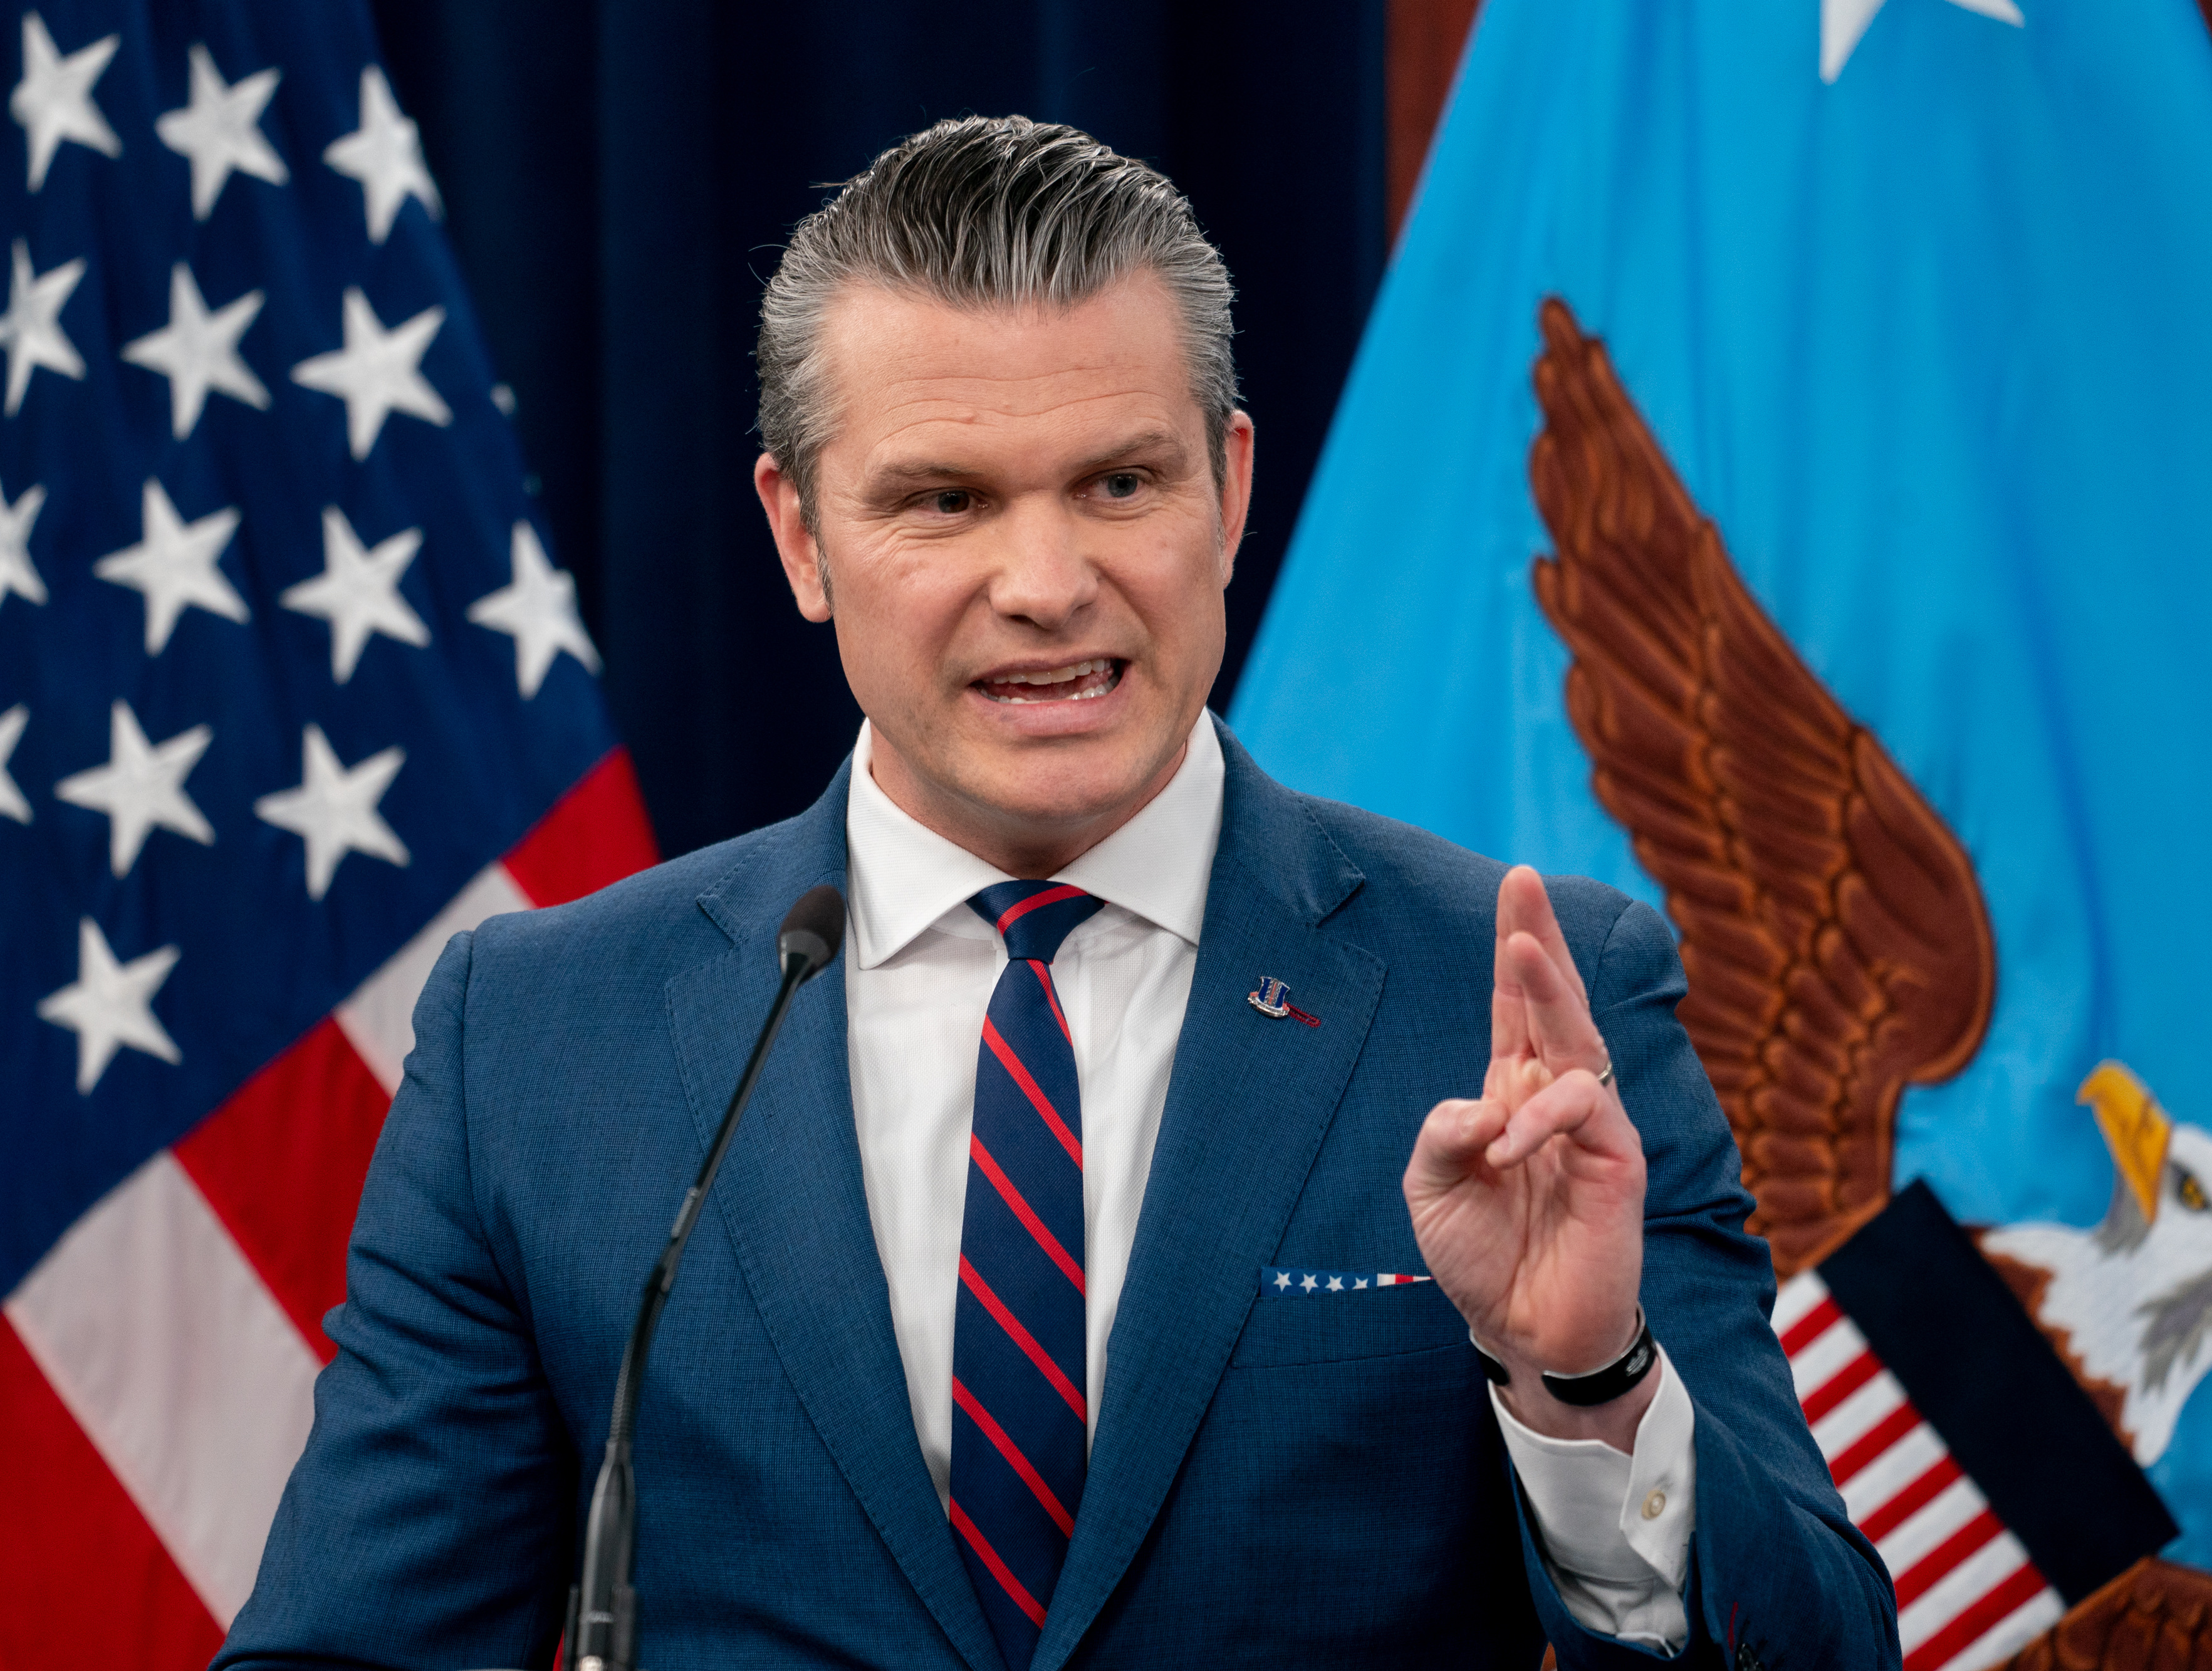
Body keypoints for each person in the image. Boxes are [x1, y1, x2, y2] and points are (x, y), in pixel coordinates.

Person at [217, 117, 1892, 1670]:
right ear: (800, 538)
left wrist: (1588, 1387)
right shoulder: (542, 1037)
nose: (1046, 584)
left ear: (1228, 490)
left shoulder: (1523, 996)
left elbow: (1820, 1650)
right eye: (945, 501)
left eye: (1120, 482)